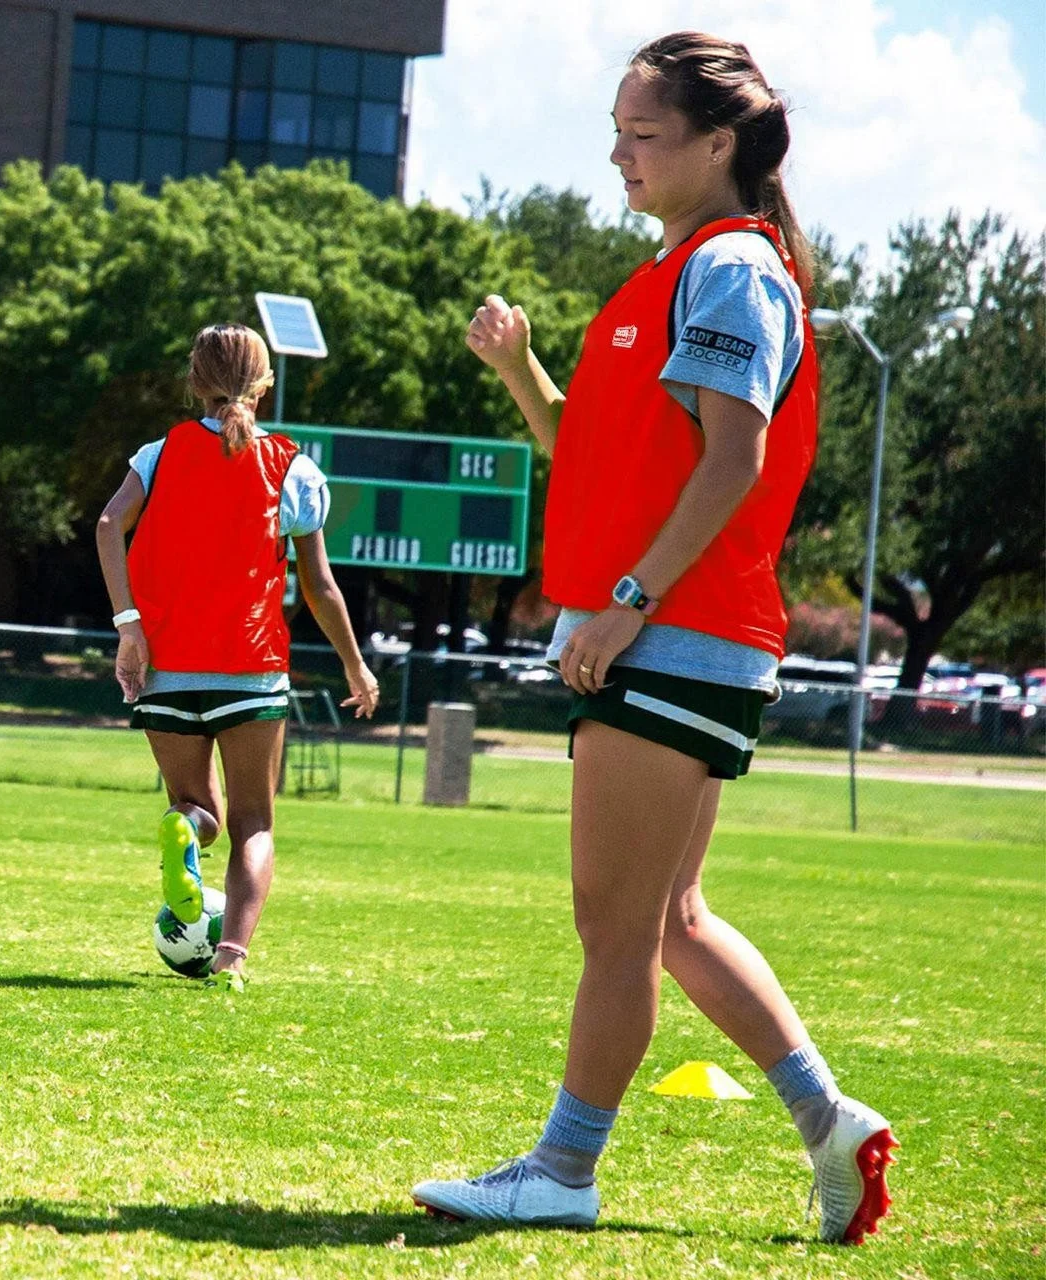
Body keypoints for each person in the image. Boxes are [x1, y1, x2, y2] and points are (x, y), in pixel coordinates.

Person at [411, 32, 896, 1243]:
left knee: (614, 926)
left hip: (674, 635)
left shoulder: (730, 268)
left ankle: (562, 1172)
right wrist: (521, 372)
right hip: (677, 630)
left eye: (643, 132)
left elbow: (729, 462)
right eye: (616, 129)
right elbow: (611, 457)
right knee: (669, 918)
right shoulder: (683, 269)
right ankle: (830, 1118)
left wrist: (625, 600)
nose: (616, 153)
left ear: (716, 145)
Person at [96, 322, 378, 982]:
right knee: (253, 821)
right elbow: (320, 585)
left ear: (193, 384)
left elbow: (109, 524)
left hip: (166, 670)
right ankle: (231, 957)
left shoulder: (158, 455)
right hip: (252, 673)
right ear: (266, 385)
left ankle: (186, 831)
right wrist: (354, 663)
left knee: (199, 809)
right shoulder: (293, 468)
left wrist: (129, 625)